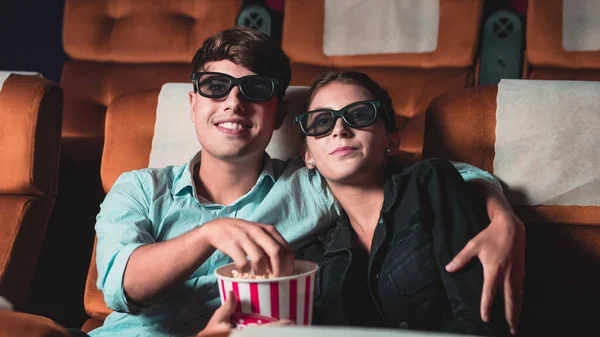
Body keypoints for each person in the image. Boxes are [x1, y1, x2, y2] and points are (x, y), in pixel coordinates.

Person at [88, 27, 524, 337]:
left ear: (277, 115)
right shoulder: (141, 188)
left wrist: (503, 217)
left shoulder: (312, 183)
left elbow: (425, 175)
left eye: (255, 90)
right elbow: (119, 287)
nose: (234, 102)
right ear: (193, 103)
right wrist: (209, 234)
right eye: (216, 86)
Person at [295, 71, 517, 335]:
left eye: (359, 115)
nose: (340, 130)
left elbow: (482, 321)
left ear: (392, 141)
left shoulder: (429, 184)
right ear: (308, 156)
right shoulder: (314, 250)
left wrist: (502, 210)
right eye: (321, 122)